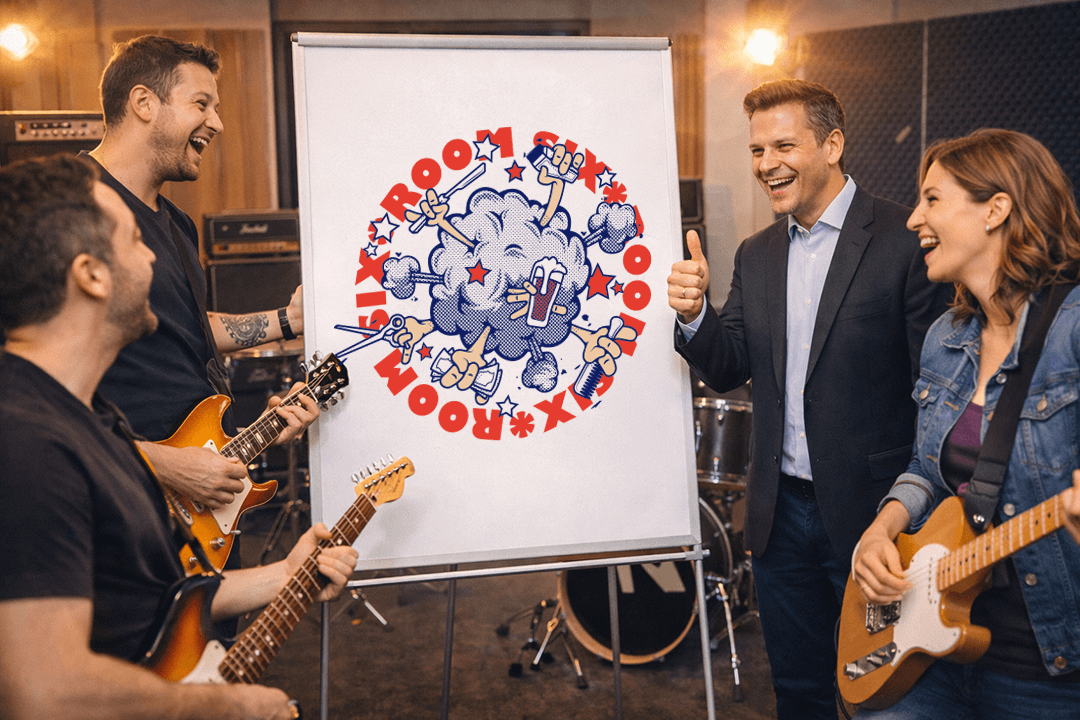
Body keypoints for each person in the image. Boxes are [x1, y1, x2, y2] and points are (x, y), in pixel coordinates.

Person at [0, 154, 357, 720]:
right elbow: (46, 692)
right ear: (91, 274)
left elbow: (155, 601)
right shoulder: (28, 448)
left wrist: (285, 575)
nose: (149, 256)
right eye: (133, 240)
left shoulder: (94, 419)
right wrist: (227, 706)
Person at [667, 79, 951, 718]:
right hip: (778, 518)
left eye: (784, 145)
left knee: (888, 697)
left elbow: (936, 394)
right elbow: (729, 365)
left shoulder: (904, 243)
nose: (767, 164)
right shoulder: (757, 253)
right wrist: (694, 317)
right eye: (757, 149)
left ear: (833, 144)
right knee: (800, 694)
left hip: (879, 520)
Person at [851, 129, 1080, 718]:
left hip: (1045, 665)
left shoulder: (1074, 332)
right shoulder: (946, 338)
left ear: (996, 209)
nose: (912, 219)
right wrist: (882, 529)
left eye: (932, 199)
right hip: (934, 649)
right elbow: (927, 469)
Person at [86, 34, 316, 514]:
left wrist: (288, 319)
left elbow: (184, 328)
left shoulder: (177, 225)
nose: (218, 122)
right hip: (115, 497)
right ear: (144, 103)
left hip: (195, 504)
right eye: (201, 104)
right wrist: (157, 463)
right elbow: (23, 381)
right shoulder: (68, 206)